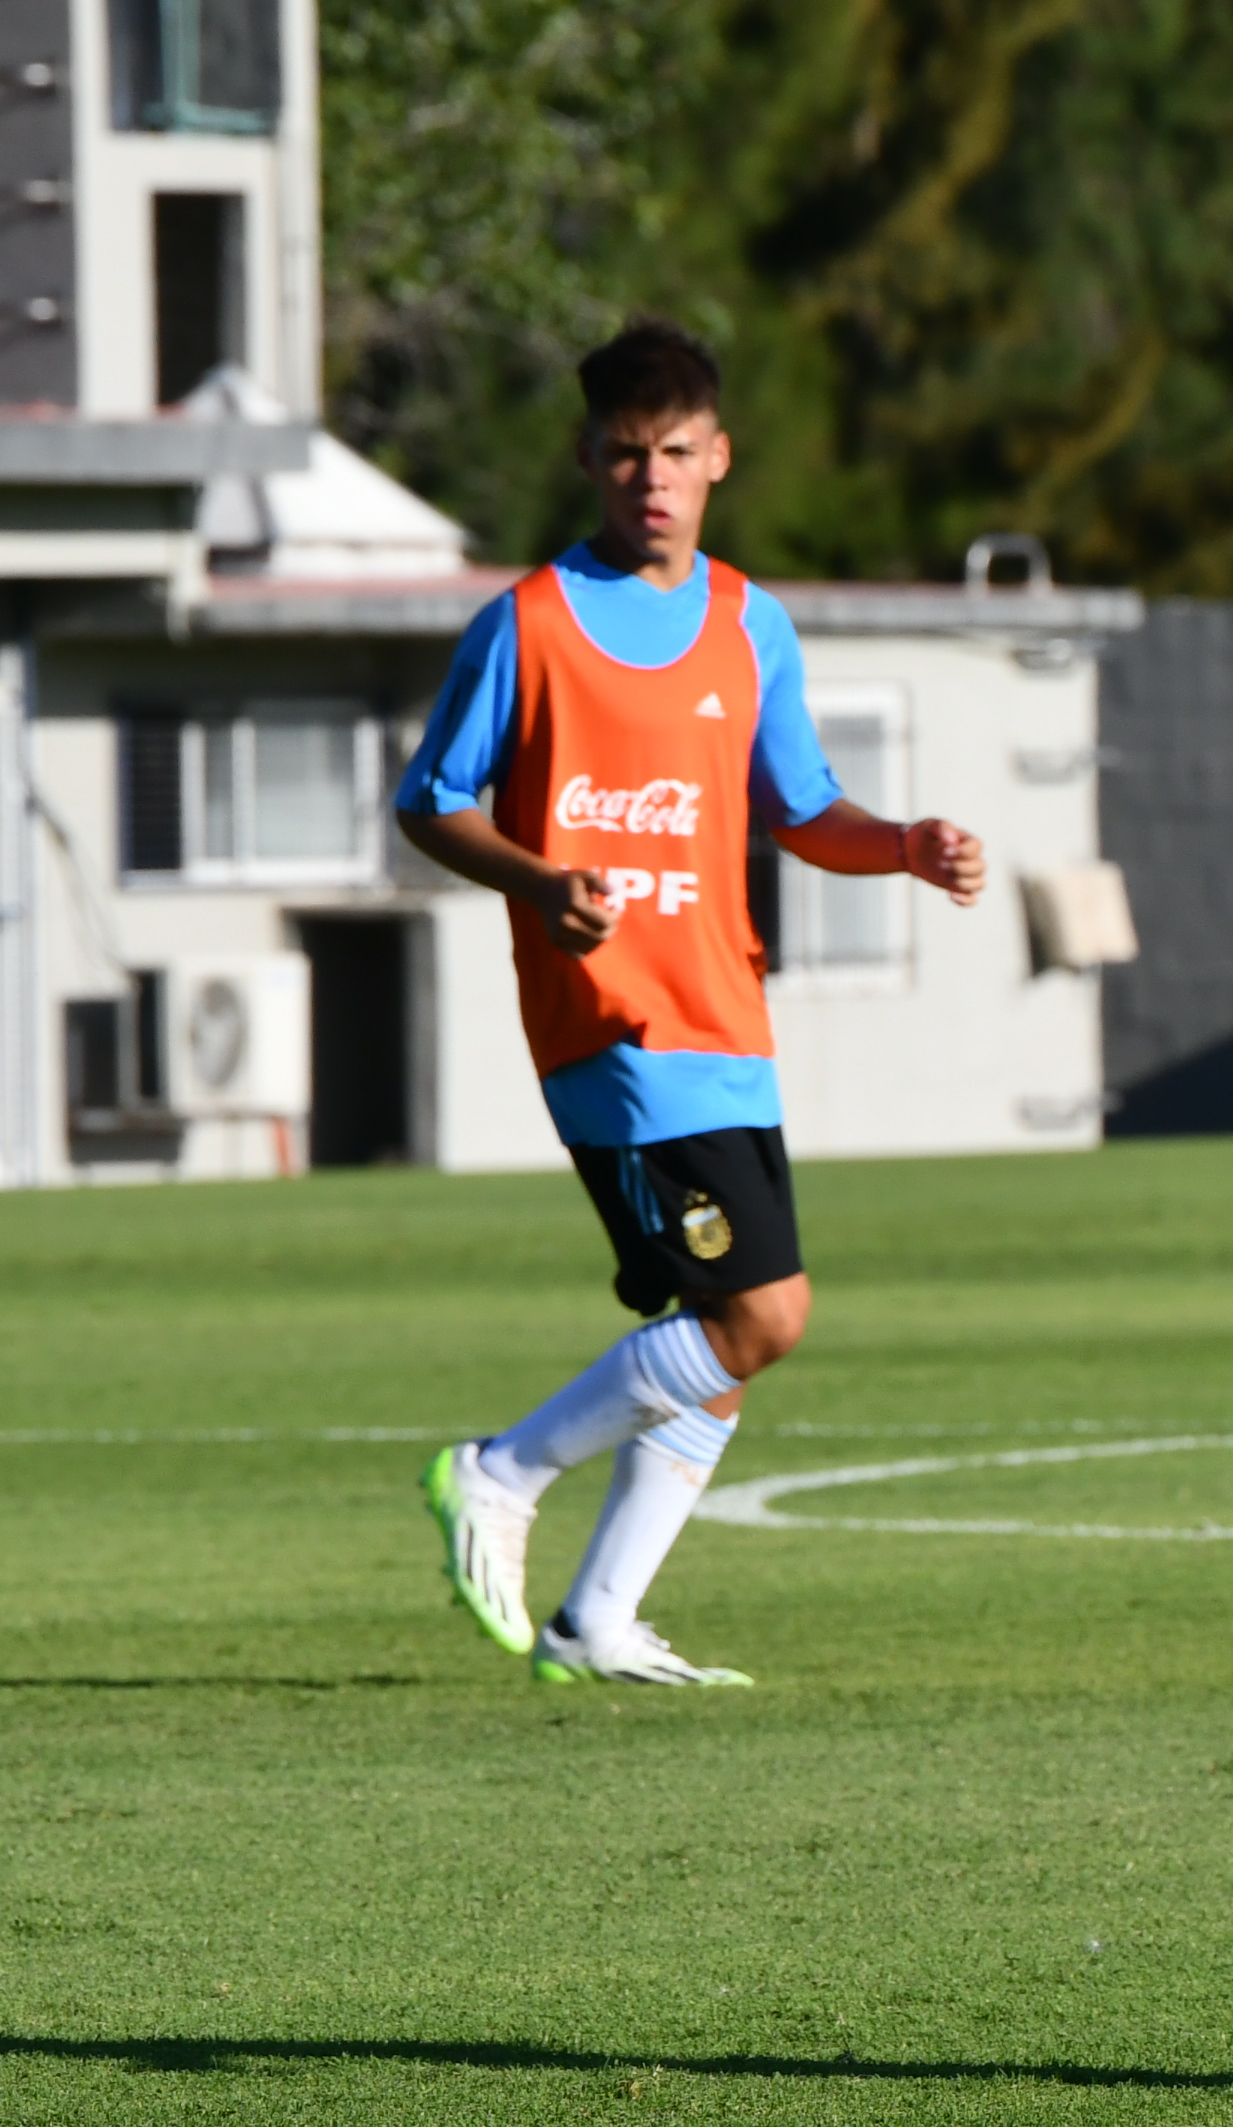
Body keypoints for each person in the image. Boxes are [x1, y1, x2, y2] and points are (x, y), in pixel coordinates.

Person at [403, 319, 985, 1686]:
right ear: (588, 461)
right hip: (616, 1028)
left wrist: (903, 844)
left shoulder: (748, 623)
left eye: (673, 453)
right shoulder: (529, 624)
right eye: (624, 455)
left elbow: (802, 808)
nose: (649, 479)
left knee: (718, 1335)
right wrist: (540, 882)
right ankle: (498, 1474)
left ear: (718, 457)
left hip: (727, 1022)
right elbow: (431, 801)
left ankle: (597, 1618)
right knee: (764, 1313)